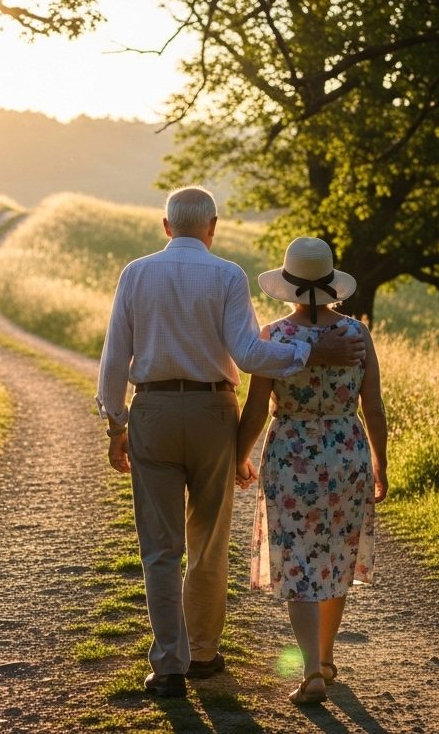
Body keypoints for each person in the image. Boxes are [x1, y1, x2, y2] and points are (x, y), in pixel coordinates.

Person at [97, 187, 367, 698]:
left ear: (166, 225)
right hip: (213, 411)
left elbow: (114, 359)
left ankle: (169, 665)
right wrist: (312, 349)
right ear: (213, 227)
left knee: (159, 548)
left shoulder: (135, 273)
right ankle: (203, 652)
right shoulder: (227, 275)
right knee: (208, 542)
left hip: (151, 409)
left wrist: (116, 425)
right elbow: (248, 354)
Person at [234, 236, 388, 705]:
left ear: (288, 285)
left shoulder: (273, 337)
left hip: (290, 453)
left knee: (299, 559)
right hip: (347, 451)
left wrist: (239, 455)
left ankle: (309, 671)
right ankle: (325, 657)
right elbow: (374, 406)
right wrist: (382, 465)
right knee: (336, 555)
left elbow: (257, 407)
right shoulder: (357, 334)